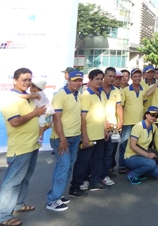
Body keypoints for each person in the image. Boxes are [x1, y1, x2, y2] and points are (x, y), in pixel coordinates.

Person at [0, 68, 47, 226]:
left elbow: (32, 118)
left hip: (32, 145)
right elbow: (15, 121)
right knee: (12, 182)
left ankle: (18, 205)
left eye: (29, 80)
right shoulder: (11, 99)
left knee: (24, 179)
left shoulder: (27, 98)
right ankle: (3, 217)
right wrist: (36, 113)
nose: (27, 83)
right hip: (20, 148)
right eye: (24, 79)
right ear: (15, 80)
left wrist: (42, 126)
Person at [46, 70, 84, 210]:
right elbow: (56, 118)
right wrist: (62, 139)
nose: (78, 83)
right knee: (63, 167)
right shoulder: (60, 95)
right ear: (68, 80)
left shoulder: (78, 95)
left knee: (67, 168)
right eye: (75, 80)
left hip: (75, 137)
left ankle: (58, 193)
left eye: (80, 80)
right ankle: (53, 200)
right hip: (61, 139)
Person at [69, 69, 108, 194]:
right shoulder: (86, 96)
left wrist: (105, 130)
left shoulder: (101, 93)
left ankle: (94, 182)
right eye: (97, 79)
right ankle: (75, 186)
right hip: (89, 136)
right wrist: (84, 137)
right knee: (83, 162)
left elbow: (101, 114)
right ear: (90, 80)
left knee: (98, 160)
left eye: (101, 79)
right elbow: (83, 117)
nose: (99, 81)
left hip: (100, 135)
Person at [124, 106, 158, 185]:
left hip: (142, 156)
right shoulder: (138, 127)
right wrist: (147, 154)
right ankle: (133, 174)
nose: (154, 117)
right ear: (146, 115)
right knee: (151, 164)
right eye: (152, 115)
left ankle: (141, 172)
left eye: (156, 116)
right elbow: (132, 145)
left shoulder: (153, 127)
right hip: (131, 156)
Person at [118, 69, 145, 174]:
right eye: (135, 76)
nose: (137, 78)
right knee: (124, 144)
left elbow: (144, 103)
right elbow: (121, 106)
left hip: (139, 122)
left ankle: (133, 164)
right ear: (131, 78)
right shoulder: (125, 90)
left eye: (139, 76)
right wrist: (121, 120)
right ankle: (121, 164)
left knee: (137, 144)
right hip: (127, 122)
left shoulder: (143, 89)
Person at [100, 67, 123, 183]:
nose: (112, 78)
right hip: (100, 126)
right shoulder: (97, 89)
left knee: (110, 151)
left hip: (114, 127)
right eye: (110, 76)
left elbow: (119, 107)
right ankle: (95, 174)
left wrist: (120, 122)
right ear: (104, 76)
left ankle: (105, 174)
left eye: (114, 76)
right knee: (98, 152)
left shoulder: (116, 90)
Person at [26, 78, 54, 144]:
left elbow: (28, 96)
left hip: (45, 112)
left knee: (41, 123)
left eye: (30, 86)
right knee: (42, 124)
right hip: (45, 111)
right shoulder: (39, 92)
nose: (29, 87)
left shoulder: (38, 94)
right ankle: (40, 135)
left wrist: (19, 95)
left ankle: (41, 136)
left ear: (35, 88)